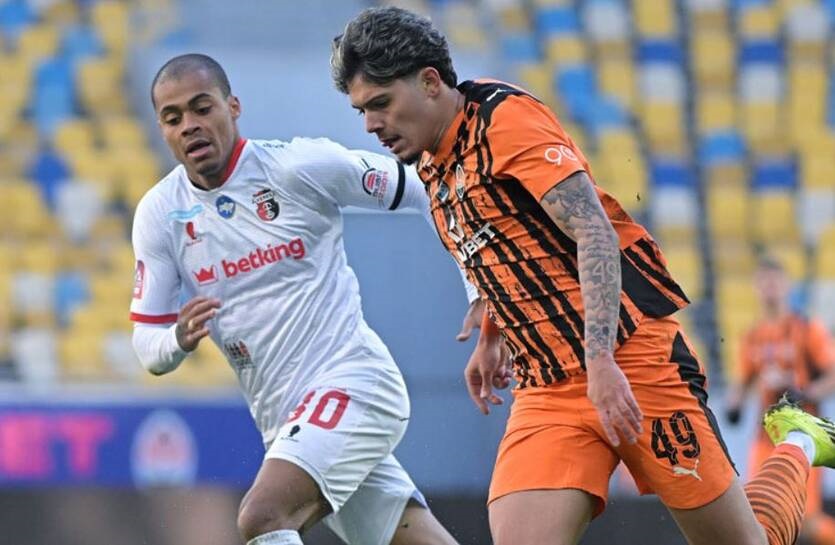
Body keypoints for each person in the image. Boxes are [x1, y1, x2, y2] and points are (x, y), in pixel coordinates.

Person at [330, 7, 835, 545]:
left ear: (431, 82)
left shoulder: (504, 121)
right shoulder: (432, 162)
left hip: (631, 360)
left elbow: (594, 232)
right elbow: (507, 243)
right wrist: (493, 330)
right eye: (361, 110)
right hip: (546, 387)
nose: (370, 125)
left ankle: (800, 443)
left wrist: (600, 362)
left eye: (381, 103)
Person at [130, 53, 467, 545]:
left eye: (202, 108)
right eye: (173, 117)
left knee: (263, 516)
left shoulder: (298, 167)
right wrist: (177, 339)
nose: (190, 126)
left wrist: (478, 288)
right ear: (162, 129)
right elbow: (147, 346)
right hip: (286, 420)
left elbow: (420, 188)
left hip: (354, 383)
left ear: (233, 107)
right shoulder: (161, 214)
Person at [727, 256, 835, 545]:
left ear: (787, 285)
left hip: (805, 437)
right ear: (755, 287)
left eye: (775, 281)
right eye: (764, 282)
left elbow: (832, 375)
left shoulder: (807, 329)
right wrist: (734, 405)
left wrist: (804, 391)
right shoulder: (752, 336)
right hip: (765, 439)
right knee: (758, 518)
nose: (770, 287)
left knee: (806, 522)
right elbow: (742, 383)